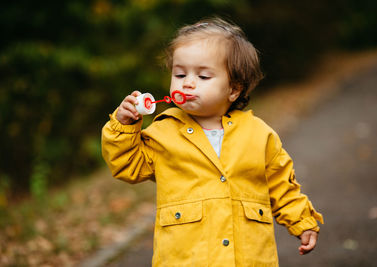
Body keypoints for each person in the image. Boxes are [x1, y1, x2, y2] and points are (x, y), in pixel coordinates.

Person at [102, 17, 323, 266]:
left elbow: (282, 186)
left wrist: (302, 221)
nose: (187, 82)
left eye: (203, 76)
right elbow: (127, 166)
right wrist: (125, 126)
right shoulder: (163, 132)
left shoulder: (259, 134)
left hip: (248, 258)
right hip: (186, 258)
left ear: (233, 89)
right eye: (180, 73)